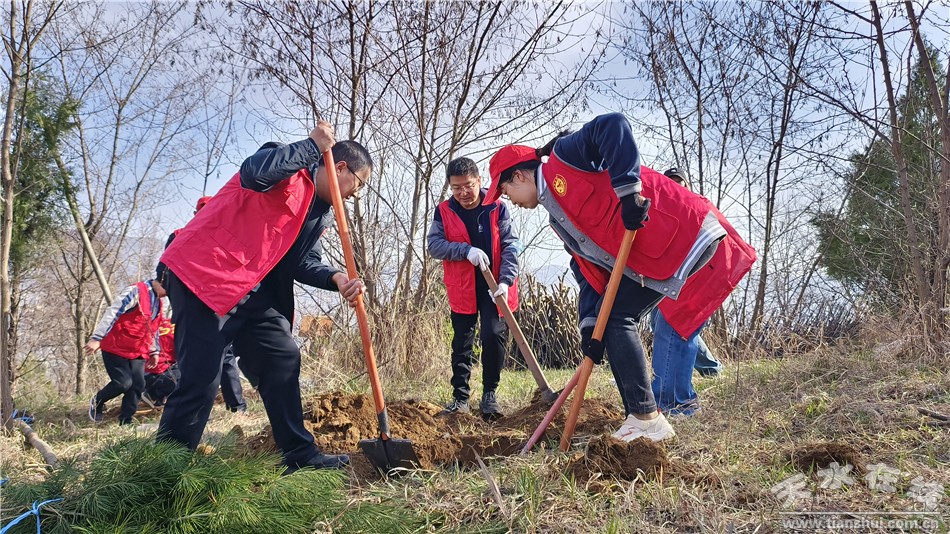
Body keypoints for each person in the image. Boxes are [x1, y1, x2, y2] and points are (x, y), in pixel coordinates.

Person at [483, 113, 755, 442]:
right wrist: (589, 326)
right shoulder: (557, 217)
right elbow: (587, 271)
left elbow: (613, 125)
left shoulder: (565, 158)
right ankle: (639, 421)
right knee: (607, 321)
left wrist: (629, 194)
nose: (509, 201)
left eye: (505, 191)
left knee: (615, 318)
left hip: (682, 232)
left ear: (519, 176)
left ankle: (646, 419)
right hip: (655, 257)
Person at [156, 120, 370, 473]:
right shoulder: (285, 164)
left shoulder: (320, 214)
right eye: (358, 184)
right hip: (208, 274)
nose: (356, 195)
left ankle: (299, 455)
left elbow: (302, 261)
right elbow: (254, 174)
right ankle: (164, 469)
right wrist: (312, 145)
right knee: (202, 379)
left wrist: (336, 278)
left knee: (281, 356)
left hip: (254, 291)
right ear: (341, 167)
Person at [427, 157, 521, 418]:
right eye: (456, 188)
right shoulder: (444, 211)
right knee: (462, 341)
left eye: (468, 185)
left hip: (495, 286)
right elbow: (434, 245)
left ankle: (490, 395)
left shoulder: (497, 207)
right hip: (462, 286)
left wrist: (506, 280)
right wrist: (465, 250)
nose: (463, 193)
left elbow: (511, 245)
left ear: (479, 181)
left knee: (492, 336)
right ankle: (460, 398)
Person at [157, 196, 247, 413]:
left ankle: (217, 408)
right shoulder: (186, 235)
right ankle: (229, 407)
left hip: (206, 305)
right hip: (205, 305)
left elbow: (163, 273)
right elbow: (165, 270)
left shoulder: (185, 235)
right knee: (215, 356)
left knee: (205, 357)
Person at [658, 168, 724, 377]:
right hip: (664, 273)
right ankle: (710, 368)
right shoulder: (660, 207)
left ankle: (710, 368)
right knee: (661, 322)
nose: (675, 184)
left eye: (679, 181)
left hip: (690, 272)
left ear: (687, 185)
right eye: (670, 181)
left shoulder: (696, 206)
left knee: (677, 323)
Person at [84, 279, 165, 425]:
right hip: (116, 346)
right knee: (123, 383)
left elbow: (154, 328)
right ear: (162, 280)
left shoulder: (159, 302)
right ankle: (97, 402)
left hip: (138, 350)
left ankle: (126, 420)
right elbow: (113, 312)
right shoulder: (136, 291)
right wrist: (97, 338)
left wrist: (154, 351)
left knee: (138, 384)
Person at [143, 317, 180, 407]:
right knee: (189, 374)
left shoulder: (157, 322)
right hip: (155, 372)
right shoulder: (180, 329)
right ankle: (153, 395)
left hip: (139, 370)